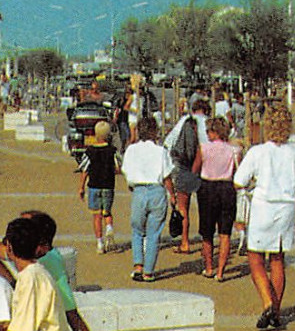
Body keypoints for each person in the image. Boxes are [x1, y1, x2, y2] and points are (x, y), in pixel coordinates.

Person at [234, 103, 295, 331]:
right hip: (286, 209)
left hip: (263, 208)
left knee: (255, 258)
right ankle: (276, 311)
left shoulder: (257, 152)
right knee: (278, 260)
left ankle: (267, 302)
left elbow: (238, 180)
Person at [121, 113, 174, 281]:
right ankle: (149, 271)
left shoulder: (131, 150)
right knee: (153, 233)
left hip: (138, 190)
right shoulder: (161, 151)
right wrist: (172, 195)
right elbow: (167, 176)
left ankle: (138, 265)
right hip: (157, 191)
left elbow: (126, 171)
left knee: (137, 230)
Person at [194, 116, 240, 280]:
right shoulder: (234, 150)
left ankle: (209, 267)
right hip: (227, 188)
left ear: (214, 132)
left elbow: (195, 168)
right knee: (224, 232)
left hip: (208, 188)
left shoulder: (204, 148)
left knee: (207, 232)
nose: (207, 134)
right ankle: (220, 271)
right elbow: (237, 172)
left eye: (208, 131)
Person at [165, 99, 209, 255]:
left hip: (184, 166)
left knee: (183, 207)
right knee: (206, 210)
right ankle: (207, 245)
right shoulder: (210, 123)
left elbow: (168, 142)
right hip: (205, 169)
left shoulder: (185, 121)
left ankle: (185, 242)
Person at [77, 121, 118, 253]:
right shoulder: (112, 151)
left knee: (96, 216)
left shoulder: (90, 151)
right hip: (108, 186)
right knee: (107, 211)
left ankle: (100, 243)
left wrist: (81, 187)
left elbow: (84, 169)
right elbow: (118, 167)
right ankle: (109, 227)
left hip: (94, 186)